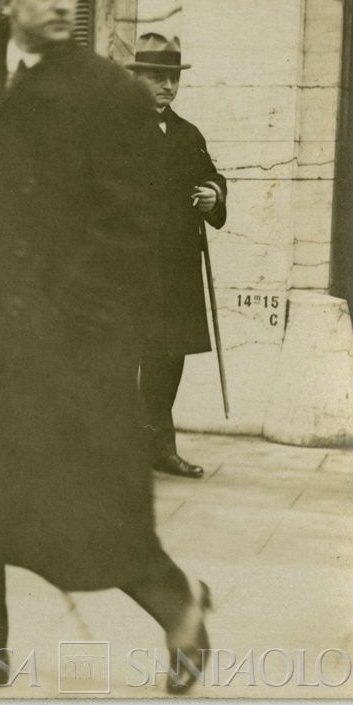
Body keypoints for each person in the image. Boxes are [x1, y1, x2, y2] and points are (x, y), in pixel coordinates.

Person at [0, 0, 213, 696]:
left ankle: (181, 606)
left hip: (70, 339)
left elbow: (129, 227)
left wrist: (64, 316)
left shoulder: (113, 95)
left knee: (84, 502)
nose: (65, 2)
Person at [126, 33, 228, 479]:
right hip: (128, 267)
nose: (167, 86)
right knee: (123, 358)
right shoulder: (116, 131)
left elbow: (212, 176)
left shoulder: (189, 134)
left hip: (178, 268)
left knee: (168, 360)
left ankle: (159, 449)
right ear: (138, 79)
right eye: (157, 77)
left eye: (172, 78)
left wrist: (214, 196)